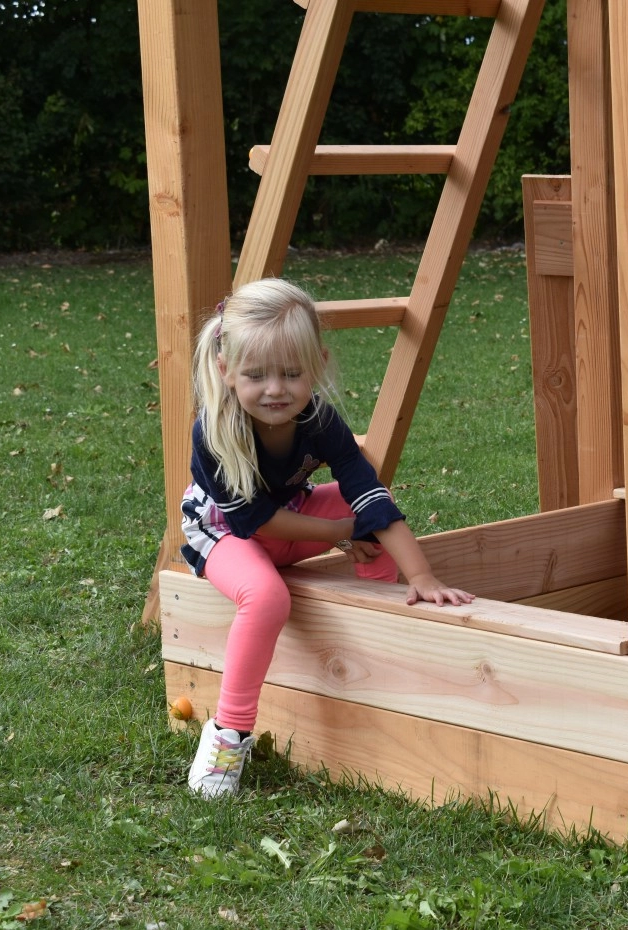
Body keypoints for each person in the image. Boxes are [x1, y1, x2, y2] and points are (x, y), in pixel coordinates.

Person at [179, 277, 473, 797]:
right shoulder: (215, 430)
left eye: (291, 373)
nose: (275, 389)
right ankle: (229, 733)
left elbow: (369, 494)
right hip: (226, 535)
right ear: (225, 370)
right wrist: (341, 531)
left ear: (317, 364)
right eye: (256, 375)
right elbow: (254, 521)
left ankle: (373, 632)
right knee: (267, 596)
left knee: (369, 509)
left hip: (293, 519)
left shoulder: (319, 419)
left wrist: (422, 575)